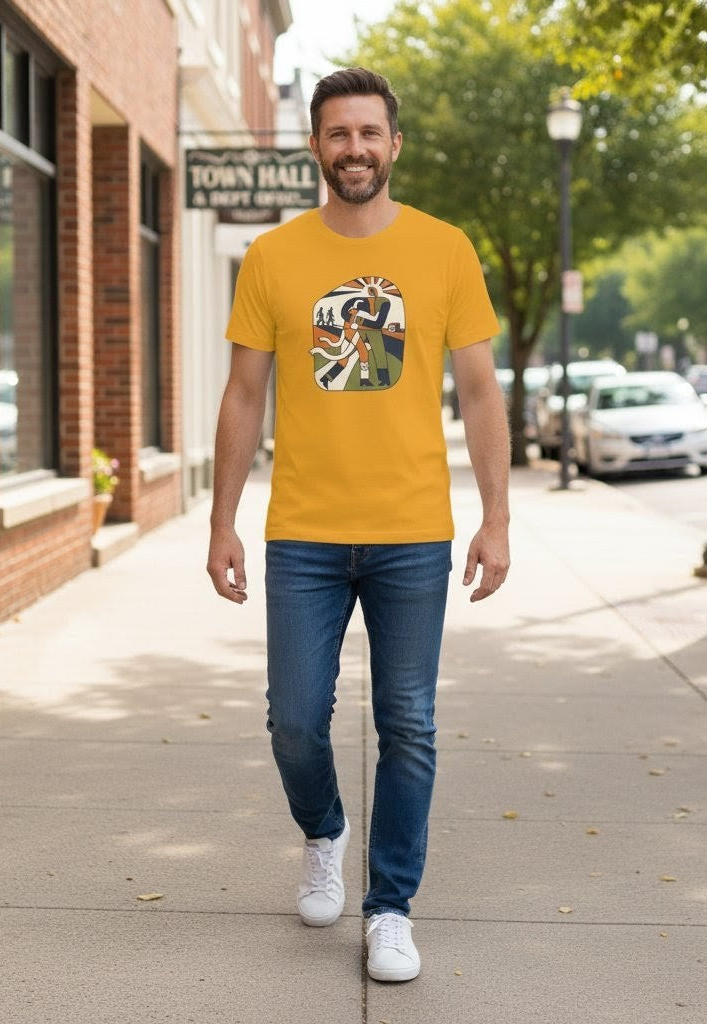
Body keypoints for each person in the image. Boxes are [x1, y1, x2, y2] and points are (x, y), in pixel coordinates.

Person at [206, 67, 510, 983]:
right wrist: (222, 521)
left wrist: (497, 518)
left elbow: (481, 388)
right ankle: (323, 831)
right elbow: (243, 394)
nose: (355, 150)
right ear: (315, 147)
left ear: (394, 145)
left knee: (408, 724)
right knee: (294, 721)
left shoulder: (445, 250)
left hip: (414, 530)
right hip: (302, 531)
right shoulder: (274, 257)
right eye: (338, 135)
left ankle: (390, 908)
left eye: (370, 134)